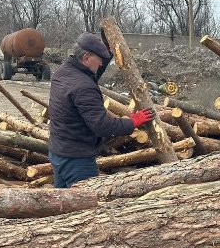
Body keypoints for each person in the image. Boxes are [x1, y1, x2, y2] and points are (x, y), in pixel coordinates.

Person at [48, 32, 156, 188]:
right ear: (86, 57)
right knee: (87, 207)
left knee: (63, 205)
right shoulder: (83, 86)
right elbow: (102, 126)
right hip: (77, 160)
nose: (101, 64)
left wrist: (106, 47)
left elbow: (91, 74)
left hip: (58, 152)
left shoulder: (65, 71)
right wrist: (133, 122)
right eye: (99, 59)